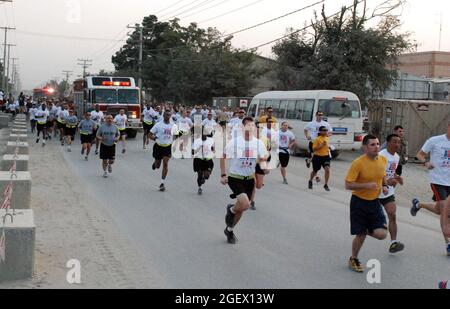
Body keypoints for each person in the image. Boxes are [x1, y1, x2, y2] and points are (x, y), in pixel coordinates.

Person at [220, 117, 269, 244]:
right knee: (246, 204)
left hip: (249, 179)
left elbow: (263, 159)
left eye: (252, 125)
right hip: (235, 177)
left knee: (242, 207)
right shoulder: (235, 142)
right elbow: (223, 157)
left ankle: (230, 229)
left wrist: (264, 169)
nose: (250, 128)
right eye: (248, 125)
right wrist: (223, 175)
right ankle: (231, 210)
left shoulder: (258, 143)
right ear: (243, 127)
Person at [345, 134, 389, 273]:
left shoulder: (383, 159)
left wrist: (385, 185)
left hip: (375, 203)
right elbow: (348, 185)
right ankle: (353, 258)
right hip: (359, 203)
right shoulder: (358, 163)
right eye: (372, 144)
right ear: (365, 147)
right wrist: (366, 185)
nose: (376, 147)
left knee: (382, 234)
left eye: (377, 144)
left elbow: (382, 175)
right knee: (361, 236)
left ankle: (364, 229)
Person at [411, 123, 450, 256]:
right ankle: (448, 243)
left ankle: (418, 204)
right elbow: (420, 154)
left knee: (440, 210)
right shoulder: (435, 140)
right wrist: (426, 162)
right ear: (448, 127)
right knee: (445, 209)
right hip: (437, 180)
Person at [379, 134, 405, 253]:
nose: (397, 144)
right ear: (388, 143)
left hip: (388, 191)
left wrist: (397, 177)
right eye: (394, 141)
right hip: (375, 191)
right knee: (371, 218)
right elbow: (377, 174)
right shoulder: (381, 155)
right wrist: (387, 181)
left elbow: (391, 171)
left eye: (399, 142)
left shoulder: (396, 157)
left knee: (392, 214)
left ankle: (393, 243)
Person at [149, 110, 178, 192]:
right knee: (158, 165)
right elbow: (149, 134)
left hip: (168, 147)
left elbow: (176, 136)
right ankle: (155, 164)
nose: (167, 116)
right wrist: (154, 138)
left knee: (165, 163)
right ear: (163, 115)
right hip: (158, 146)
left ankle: (162, 183)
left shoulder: (173, 125)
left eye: (169, 115)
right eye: (166, 115)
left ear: (170, 116)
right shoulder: (158, 125)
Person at [193, 126, 215, 195]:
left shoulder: (210, 140)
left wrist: (212, 150)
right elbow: (193, 151)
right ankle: (200, 187)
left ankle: (204, 178)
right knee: (199, 175)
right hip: (198, 159)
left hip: (207, 160)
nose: (203, 135)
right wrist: (199, 148)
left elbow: (213, 149)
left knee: (206, 176)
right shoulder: (197, 141)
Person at [309, 126, 331, 191]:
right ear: (320, 131)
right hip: (317, 157)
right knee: (315, 171)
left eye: (326, 130)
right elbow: (313, 149)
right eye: (323, 130)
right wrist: (321, 146)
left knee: (327, 170)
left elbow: (327, 146)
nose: (325, 131)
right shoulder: (317, 139)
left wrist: (329, 148)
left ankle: (326, 184)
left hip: (326, 156)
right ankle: (310, 180)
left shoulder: (327, 138)